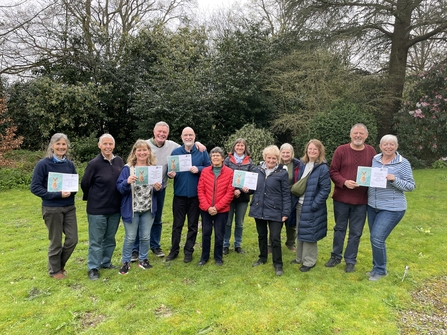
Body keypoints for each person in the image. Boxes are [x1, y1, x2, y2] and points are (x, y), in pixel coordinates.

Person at [131, 121, 206, 261]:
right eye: (159, 131)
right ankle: (136, 250)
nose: (161, 134)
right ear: (154, 132)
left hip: (162, 188)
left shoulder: (175, 147)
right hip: (143, 188)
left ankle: (157, 246)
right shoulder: (146, 145)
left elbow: (190, 147)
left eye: (164, 132)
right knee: (139, 218)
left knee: (158, 219)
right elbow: (134, 157)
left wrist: (199, 144)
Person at [324, 123, 377, 273]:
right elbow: (333, 171)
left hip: (361, 200)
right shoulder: (341, 150)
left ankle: (350, 260)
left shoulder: (371, 151)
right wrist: (344, 182)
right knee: (339, 228)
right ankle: (335, 256)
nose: (358, 136)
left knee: (356, 232)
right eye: (355, 133)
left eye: (361, 133)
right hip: (341, 198)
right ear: (350, 135)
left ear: (366, 136)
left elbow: (376, 171)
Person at [367, 135, 415, 281]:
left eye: (392, 144)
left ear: (396, 146)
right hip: (372, 205)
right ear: (380, 146)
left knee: (377, 237)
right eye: (385, 144)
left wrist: (394, 179)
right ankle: (376, 268)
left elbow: (411, 186)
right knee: (375, 238)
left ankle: (381, 271)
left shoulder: (403, 163)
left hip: (392, 208)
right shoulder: (375, 159)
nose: (388, 147)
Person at [30, 133, 78, 279]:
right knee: (56, 241)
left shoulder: (69, 165)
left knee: (73, 239)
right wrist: (57, 194)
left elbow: (74, 185)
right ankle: (55, 271)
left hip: (69, 207)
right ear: (52, 146)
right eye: (58, 144)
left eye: (63, 144)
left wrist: (72, 190)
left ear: (67, 146)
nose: (61, 147)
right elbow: (35, 187)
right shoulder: (43, 164)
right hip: (52, 208)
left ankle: (59, 265)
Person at [81, 134, 124, 281]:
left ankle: (106, 262)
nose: (108, 147)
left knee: (110, 238)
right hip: (97, 209)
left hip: (115, 208)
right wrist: (94, 197)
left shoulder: (119, 161)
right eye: (105, 144)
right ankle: (93, 267)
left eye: (110, 144)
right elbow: (85, 184)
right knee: (96, 240)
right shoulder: (94, 164)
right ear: (99, 145)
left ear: (114, 145)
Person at [116, 140, 162, 274]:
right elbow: (119, 187)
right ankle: (126, 262)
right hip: (132, 209)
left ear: (149, 152)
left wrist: (158, 188)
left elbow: (157, 189)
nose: (142, 153)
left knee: (145, 237)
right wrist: (127, 181)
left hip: (147, 208)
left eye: (144, 150)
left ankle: (143, 260)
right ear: (135, 152)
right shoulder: (128, 168)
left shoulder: (153, 168)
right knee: (130, 237)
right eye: (139, 150)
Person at [165, 127, 211, 263]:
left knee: (193, 225)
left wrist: (199, 169)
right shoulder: (176, 152)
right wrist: (170, 174)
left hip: (195, 196)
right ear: (181, 137)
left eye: (190, 135)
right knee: (177, 225)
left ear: (195, 136)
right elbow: (170, 169)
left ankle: (188, 251)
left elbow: (209, 168)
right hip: (179, 195)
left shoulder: (202, 151)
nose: (188, 137)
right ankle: (174, 250)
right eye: (186, 135)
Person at [249, 145, 291, 276]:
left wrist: (285, 212)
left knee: (275, 238)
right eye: (269, 158)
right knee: (261, 235)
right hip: (259, 208)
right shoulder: (257, 170)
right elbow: (253, 189)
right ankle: (262, 257)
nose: (271, 161)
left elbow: (286, 194)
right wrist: (245, 189)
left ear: (277, 159)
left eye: (274, 158)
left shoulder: (282, 173)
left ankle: (278, 264)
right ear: (265, 158)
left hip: (275, 210)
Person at [291, 139, 331, 272]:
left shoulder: (322, 167)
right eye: (310, 149)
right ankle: (299, 258)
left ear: (319, 151)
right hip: (300, 204)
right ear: (306, 150)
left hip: (312, 206)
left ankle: (309, 261)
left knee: (310, 233)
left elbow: (325, 189)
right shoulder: (303, 164)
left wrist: (314, 205)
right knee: (300, 231)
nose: (312, 151)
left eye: (315, 149)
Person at [197, 147, 235, 266]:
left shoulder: (230, 172)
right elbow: (200, 190)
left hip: (222, 210)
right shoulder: (205, 171)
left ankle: (218, 257)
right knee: (206, 233)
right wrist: (208, 207)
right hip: (206, 209)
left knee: (219, 234)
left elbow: (230, 192)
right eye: (213, 156)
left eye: (218, 155)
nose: (215, 158)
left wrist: (217, 207)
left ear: (223, 158)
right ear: (210, 158)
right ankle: (204, 257)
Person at [223, 138, 254, 255]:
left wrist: (243, 190)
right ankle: (225, 244)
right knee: (228, 222)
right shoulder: (227, 160)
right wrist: (234, 190)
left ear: (245, 148)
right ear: (234, 147)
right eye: (238, 145)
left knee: (239, 223)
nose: (240, 147)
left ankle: (237, 245)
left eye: (242, 146)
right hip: (229, 196)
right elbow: (224, 178)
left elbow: (252, 180)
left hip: (243, 198)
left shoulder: (250, 162)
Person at [279, 143, 300, 252]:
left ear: (292, 153)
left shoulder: (298, 164)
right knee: (275, 221)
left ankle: (290, 243)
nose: (286, 154)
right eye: (283, 152)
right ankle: (271, 244)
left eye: (288, 152)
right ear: (280, 153)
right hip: (277, 196)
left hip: (292, 197)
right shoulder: (275, 162)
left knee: (291, 221)